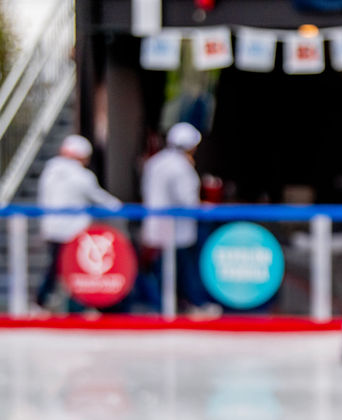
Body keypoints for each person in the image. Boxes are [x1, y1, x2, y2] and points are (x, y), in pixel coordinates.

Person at [35, 135, 123, 312]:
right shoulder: (82, 175)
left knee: (55, 267)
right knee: (73, 270)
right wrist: (120, 207)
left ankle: (43, 301)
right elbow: (100, 198)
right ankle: (71, 307)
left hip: (51, 229)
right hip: (72, 232)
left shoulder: (50, 170)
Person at [140, 122, 216, 315]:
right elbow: (187, 201)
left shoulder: (154, 162)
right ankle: (191, 304)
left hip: (156, 225)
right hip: (177, 229)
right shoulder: (181, 167)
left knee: (161, 269)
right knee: (182, 269)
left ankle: (163, 305)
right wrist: (203, 206)